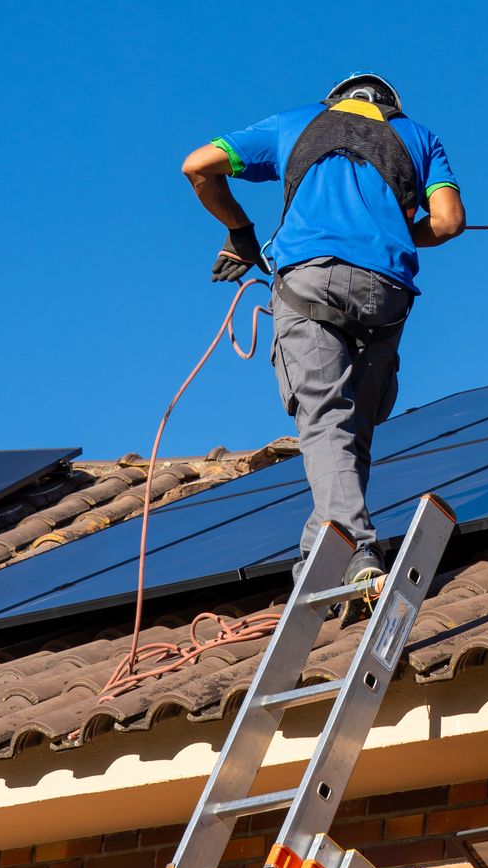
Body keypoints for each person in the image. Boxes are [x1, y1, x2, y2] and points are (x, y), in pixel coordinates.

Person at [181, 73, 465, 599]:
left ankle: (355, 545)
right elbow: (448, 222)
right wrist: (396, 234)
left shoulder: (296, 122)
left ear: (336, 100)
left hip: (310, 280)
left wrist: (241, 234)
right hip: (385, 290)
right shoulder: (419, 136)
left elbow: (197, 166)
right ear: (390, 108)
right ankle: (320, 550)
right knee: (351, 423)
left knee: (324, 414)